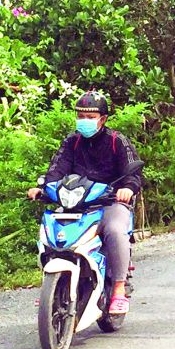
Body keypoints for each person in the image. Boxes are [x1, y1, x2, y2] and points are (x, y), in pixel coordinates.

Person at [27, 91, 144, 315]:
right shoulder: (72, 141)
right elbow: (56, 170)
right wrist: (43, 189)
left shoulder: (116, 141)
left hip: (109, 202)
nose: (85, 120)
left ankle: (118, 289)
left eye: (90, 117)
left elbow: (133, 173)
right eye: (81, 115)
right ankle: (50, 288)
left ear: (103, 119)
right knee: (53, 230)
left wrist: (127, 189)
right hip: (76, 204)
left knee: (115, 230)